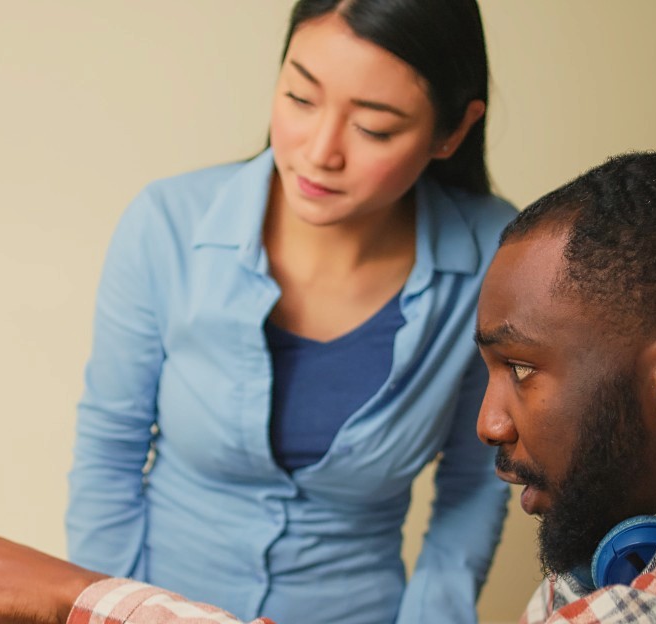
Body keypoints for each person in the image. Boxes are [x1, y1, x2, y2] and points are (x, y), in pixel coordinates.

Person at [0, 150, 656, 623]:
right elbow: (110, 451)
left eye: (520, 372)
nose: (490, 420)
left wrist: (80, 597)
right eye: (300, 94)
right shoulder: (617, 521)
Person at [66, 0, 512, 622]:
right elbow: (108, 455)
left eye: (374, 128)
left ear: (453, 132)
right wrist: (112, 614)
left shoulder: (499, 257)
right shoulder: (167, 224)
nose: (320, 151)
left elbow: (475, 485)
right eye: (300, 99)